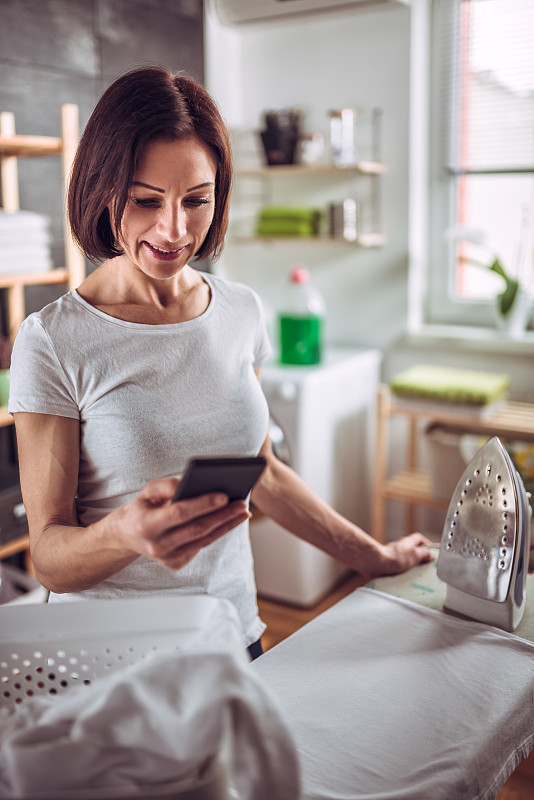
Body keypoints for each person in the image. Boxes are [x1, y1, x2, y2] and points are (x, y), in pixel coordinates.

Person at [8, 66, 432, 659]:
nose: (173, 229)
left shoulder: (240, 311)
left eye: (196, 200)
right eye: (145, 200)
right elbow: (49, 556)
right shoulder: (54, 339)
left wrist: (376, 557)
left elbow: (264, 471)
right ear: (103, 190)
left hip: (233, 639)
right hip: (110, 664)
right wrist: (124, 532)